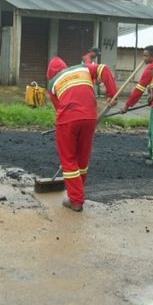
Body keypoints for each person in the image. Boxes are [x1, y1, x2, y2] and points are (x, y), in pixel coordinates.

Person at [47, 57, 117, 211]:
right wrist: (112, 94)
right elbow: (104, 68)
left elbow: (58, 108)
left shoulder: (52, 84)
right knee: (82, 159)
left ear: (51, 74)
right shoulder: (83, 68)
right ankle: (76, 192)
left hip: (68, 119)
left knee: (69, 160)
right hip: (90, 117)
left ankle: (76, 200)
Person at [119, 45, 153, 166]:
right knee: (152, 131)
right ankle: (151, 152)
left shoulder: (150, 69)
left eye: (145, 56)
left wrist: (127, 106)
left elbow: (138, 90)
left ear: (152, 56)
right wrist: (152, 96)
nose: (143, 59)